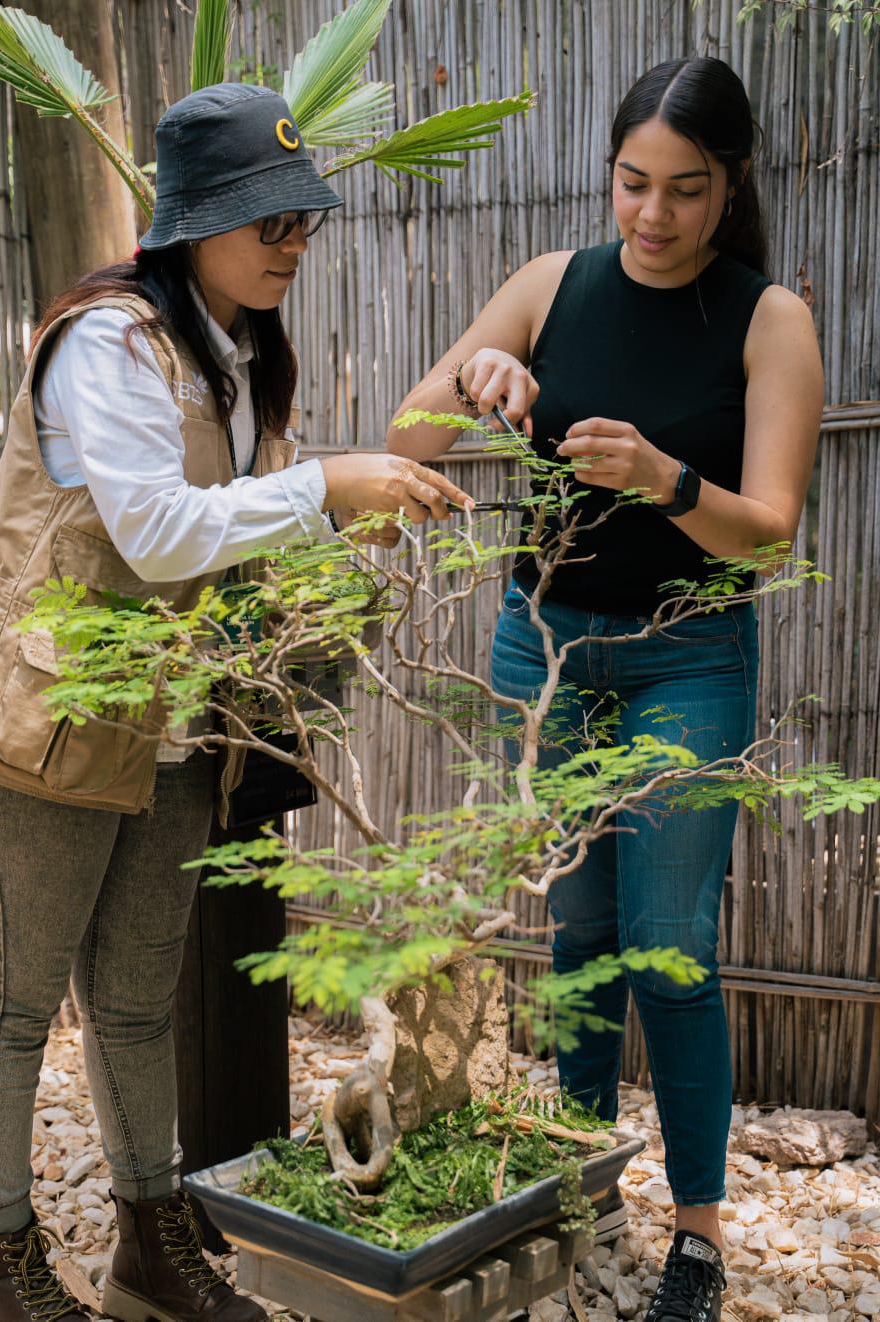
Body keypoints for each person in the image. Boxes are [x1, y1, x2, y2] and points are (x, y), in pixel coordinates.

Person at [0, 83, 471, 1322]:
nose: (287, 241)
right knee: (13, 1004)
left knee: (139, 998)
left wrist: (345, 575)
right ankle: (4, 1264)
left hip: (177, 726)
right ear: (188, 219)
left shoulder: (242, 352)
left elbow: (236, 540)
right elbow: (157, 533)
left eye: (299, 220)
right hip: (54, 724)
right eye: (262, 219)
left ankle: (151, 1245)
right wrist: (324, 486)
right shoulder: (107, 341)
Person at [388, 56, 822, 1322]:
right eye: (632, 183)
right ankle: (583, 1177)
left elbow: (771, 532)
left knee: (666, 948)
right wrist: (480, 387)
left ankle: (695, 1231)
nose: (651, 215)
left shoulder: (765, 319)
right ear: (609, 173)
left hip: (687, 655)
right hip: (545, 646)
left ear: (727, 184)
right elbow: (408, 434)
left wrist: (664, 479)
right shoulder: (548, 284)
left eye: (684, 191)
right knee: (574, 936)